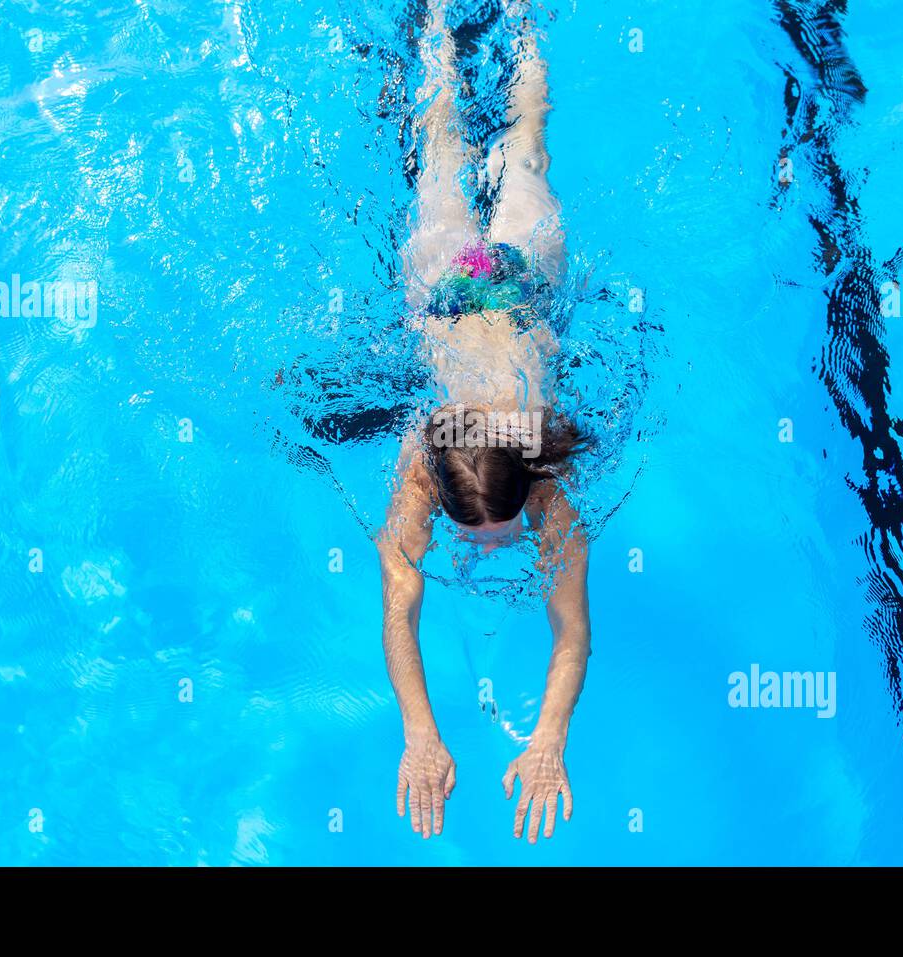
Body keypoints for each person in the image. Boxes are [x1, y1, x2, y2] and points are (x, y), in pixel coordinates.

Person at [377, 3, 591, 844]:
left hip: (465, 281)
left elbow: (569, 627)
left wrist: (549, 739)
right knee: (509, 143)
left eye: (499, 530)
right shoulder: (425, 462)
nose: (495, 544)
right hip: (498, 281)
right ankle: (504, 16)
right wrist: (419, 734)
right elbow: (399, 604)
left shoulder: (543, 478)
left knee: (467, 148)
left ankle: (456, 19)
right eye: (494, 533)